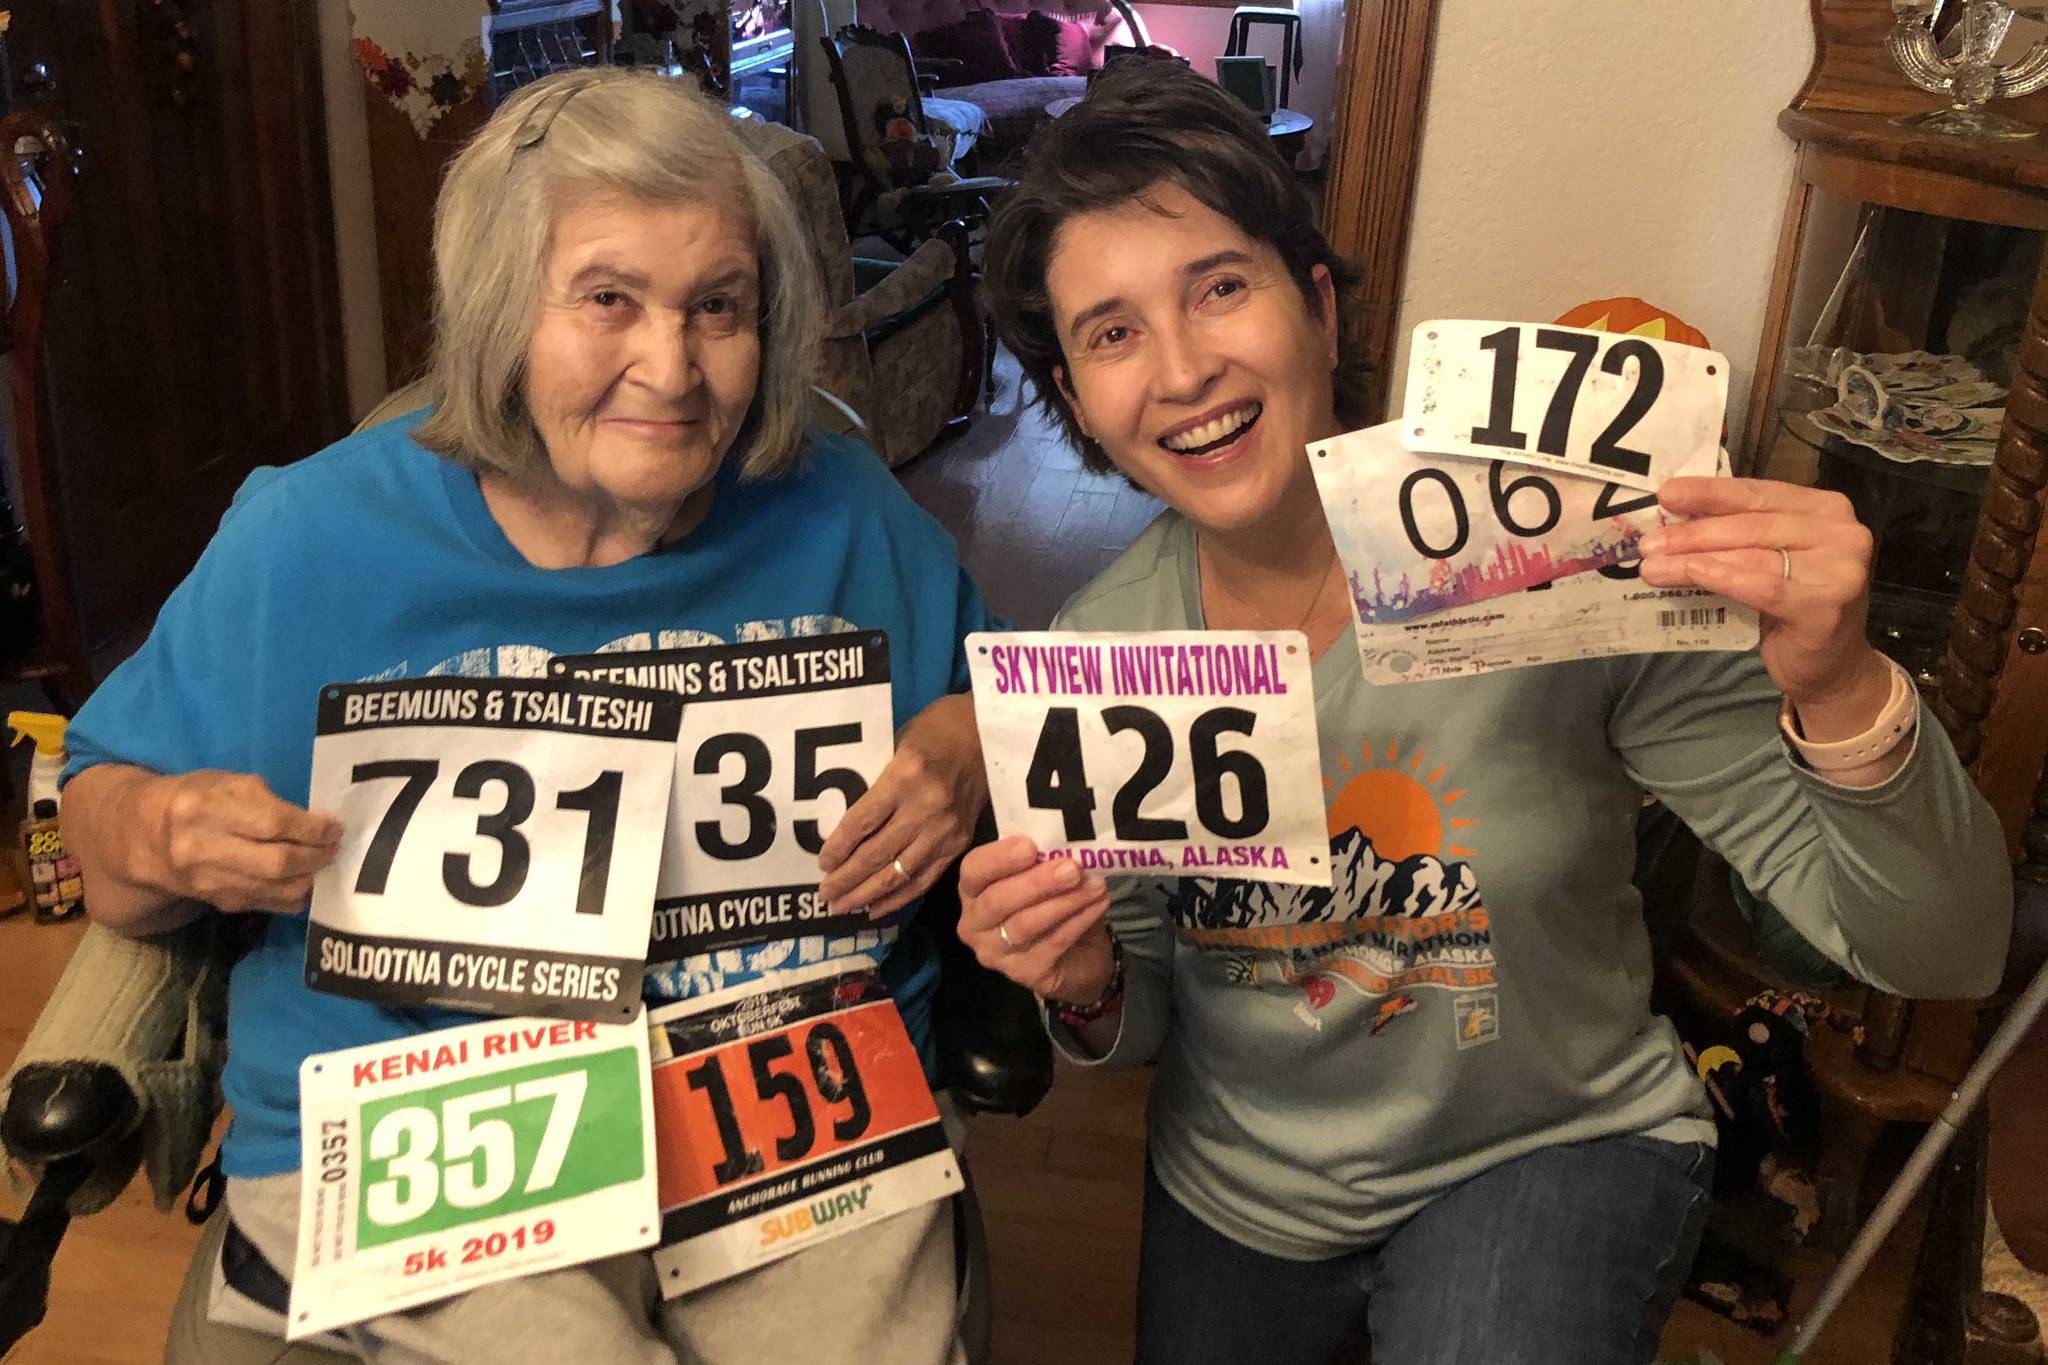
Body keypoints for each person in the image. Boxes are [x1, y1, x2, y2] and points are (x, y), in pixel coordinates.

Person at [960, 62, 2013, 1364]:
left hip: (1551, 1146)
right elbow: (1141, 1019)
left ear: (1320, 303)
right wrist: (1083, 980)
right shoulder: (1101, 646)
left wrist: (1846, 688)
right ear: (1072, 402)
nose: (1180, 369)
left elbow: (1945, 951)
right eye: (1110, 332)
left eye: (1220, 284)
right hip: (1248, 1187)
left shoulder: (1548, 545)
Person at [61, 69, 988, 1365]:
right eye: (608, 299)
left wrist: (968, 745)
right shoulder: (307, 542)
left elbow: (1018, 714)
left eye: (718, 306)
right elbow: (101, 836)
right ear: (502, 310)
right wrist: (162, 828)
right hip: (445, 1118)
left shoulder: (845, 512)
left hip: (789, 1105)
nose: (670, 367)